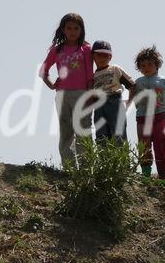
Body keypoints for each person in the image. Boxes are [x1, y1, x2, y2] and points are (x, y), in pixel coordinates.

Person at [39, 13, 94, 168]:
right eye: (69, 28)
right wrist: (50, 84)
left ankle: (86, 168)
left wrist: (90, 95)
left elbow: (90, 75)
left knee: (83, 130)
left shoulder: (86, 48)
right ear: (63, 29)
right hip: (63, 95)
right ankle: (69, 168)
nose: (72, 31)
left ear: (81, 30)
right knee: (66, 131)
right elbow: (43, 70)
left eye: (76, 28)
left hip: (82, 94)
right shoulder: (57, 50)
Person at [128, 46, 165, 179]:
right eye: (143, 65)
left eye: (150, 64)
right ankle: (146, 174)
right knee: (144, 146)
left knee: (162, 145)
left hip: (159, 117)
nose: (146, 68)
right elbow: (132, 96)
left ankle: (164, 176)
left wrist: (164, 108)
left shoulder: (163, 80)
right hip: (142, 117)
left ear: (157, 65)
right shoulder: (138, 82)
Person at [92, 40, 134, 145]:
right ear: (93, 56)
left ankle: (121, 161)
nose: (101, 58)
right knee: (101, 136)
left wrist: (129, 101)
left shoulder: (115, 69)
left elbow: (132, 85)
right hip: (99, 105)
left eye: (105, 55)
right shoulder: (92, 76)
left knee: (118, 134)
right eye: (98, 55)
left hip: (114, 101)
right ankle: (105, 161)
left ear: (110, 57)